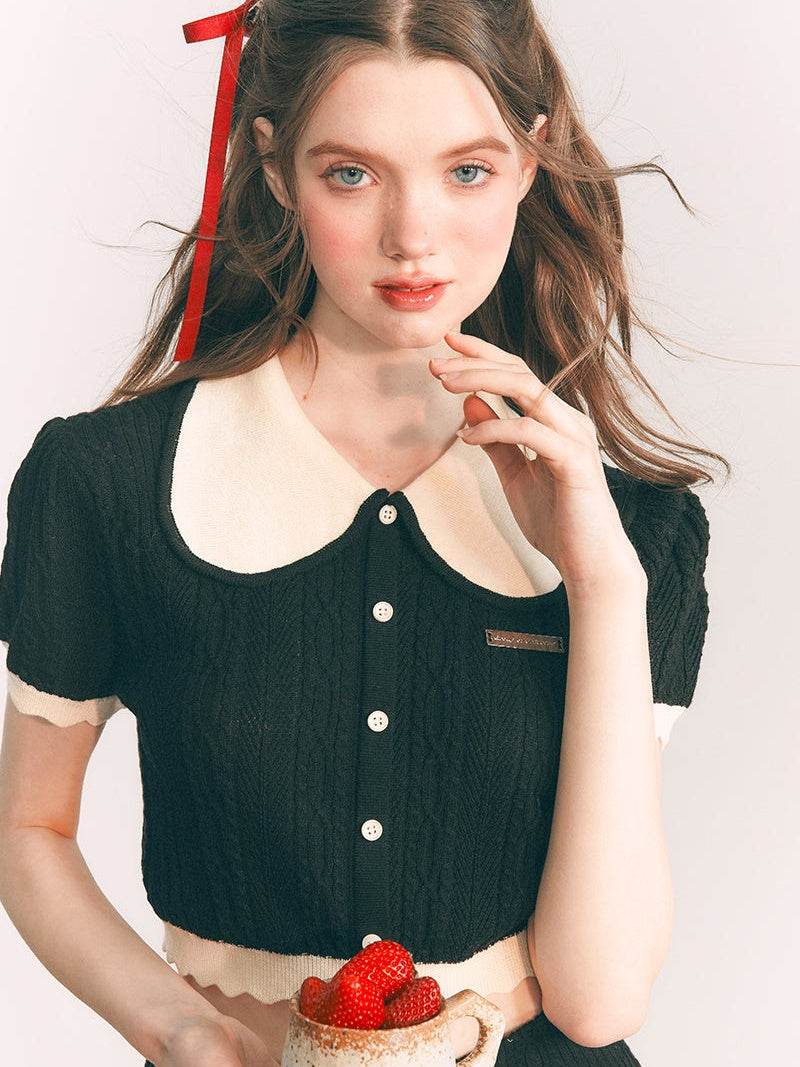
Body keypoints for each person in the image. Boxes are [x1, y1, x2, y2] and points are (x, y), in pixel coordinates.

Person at [0, 1, 725, 1065]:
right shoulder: (107, 481)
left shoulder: (634, 533)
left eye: (466, 170)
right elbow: (30, 826)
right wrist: (176, 1025)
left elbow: (600, 997)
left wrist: (602, 584)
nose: (412, 236)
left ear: (530, 162)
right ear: (273, 164)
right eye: (351, 173)